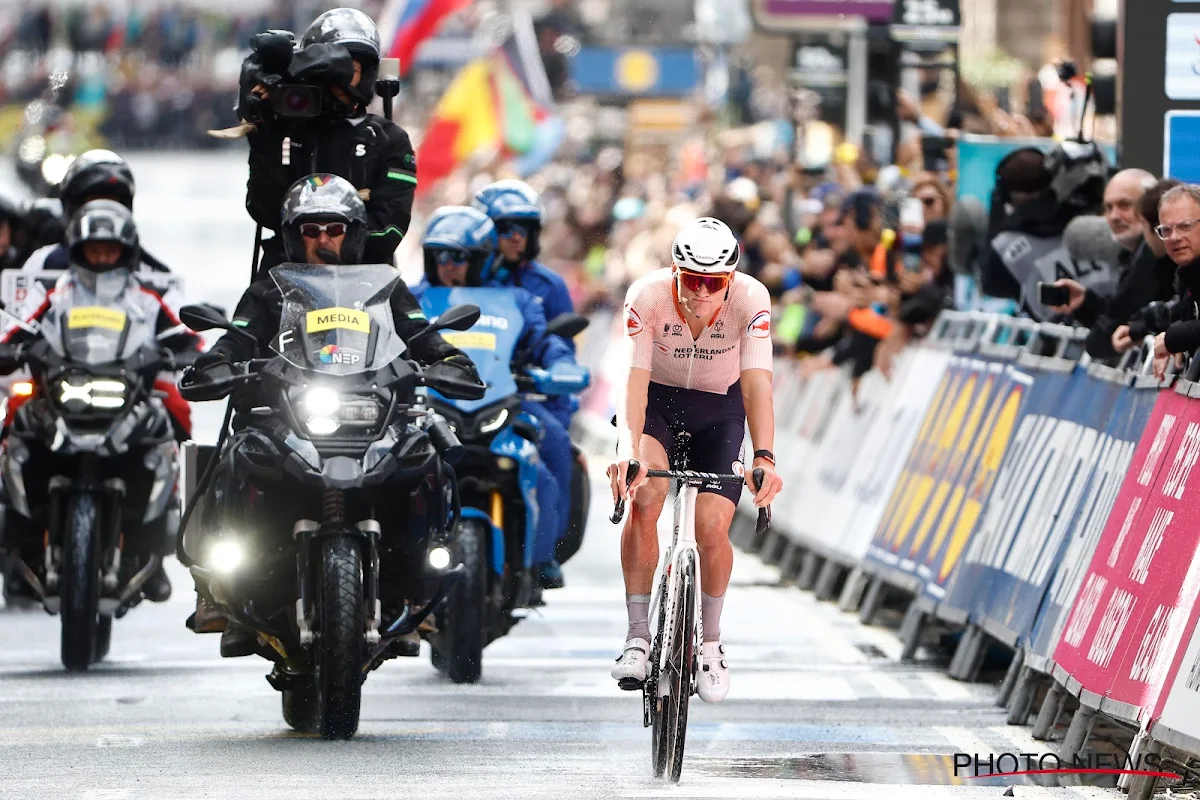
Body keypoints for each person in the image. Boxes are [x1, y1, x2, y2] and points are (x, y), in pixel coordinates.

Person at [186, 174, 482, 643]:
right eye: (310, 229)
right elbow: (236, 336)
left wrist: (448, 360)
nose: (323, 238)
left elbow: (422, 335)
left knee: (427, 455)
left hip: (370, 417)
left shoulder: (385, 290)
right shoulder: (269, 290)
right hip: (285, 417)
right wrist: (218, 363)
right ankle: (220, 593)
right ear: (291, 235)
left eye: (334, 228)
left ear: (355, 233)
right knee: (233, 455)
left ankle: (412, 586)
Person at [607, 217, 783, 703]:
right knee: (648, 495)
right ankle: (639, 635)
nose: (702, 293)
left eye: (714, 283)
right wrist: (626, 452)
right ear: (674, 272)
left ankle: (710, 643)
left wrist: (764, 456)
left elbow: (756, 384)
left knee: (711, 526)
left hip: (719, 413)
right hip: (657, 406)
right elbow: (634, 380)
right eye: (692, 281)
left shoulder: (752, 300)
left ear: (730, 280)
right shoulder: (647, 296)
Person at [0, 200, 203, 604]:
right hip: (63, 393)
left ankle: (156, 547)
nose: (102, 256)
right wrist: (15, 348)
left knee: (169, 423)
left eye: (110, 249)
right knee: (16, 425)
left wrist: (188, 352)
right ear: (77, 250)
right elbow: (18, 328)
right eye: (94, 249)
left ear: (126, 251)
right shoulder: (55, 294)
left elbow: (186, 336)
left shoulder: (146, 298)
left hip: (128, 397)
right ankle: (16, 540)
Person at [411, 205, 578, 588]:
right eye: (440, 255)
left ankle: (541, 557)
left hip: (501, 405)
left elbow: (547, 343)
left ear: (483, 259)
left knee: (551, 456)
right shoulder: (410, 298)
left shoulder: (517, 300)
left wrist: (560, 365)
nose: (449, 265)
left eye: (460, 257)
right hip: (428, 409)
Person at [241, 8, 417, 271]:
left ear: (367, 75)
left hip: (368, 280)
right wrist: (265, 134)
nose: (340, 82)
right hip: (287, 275)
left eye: (350, 71)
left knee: (411, 314)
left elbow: (390, 231)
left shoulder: (390, 139)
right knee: (248, 313)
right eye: (332, 72)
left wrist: (329, 247)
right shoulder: (287, 131)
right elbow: (263, 210)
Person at [20, 150, 173, 276]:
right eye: (94, 204)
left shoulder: (152, 272)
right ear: (72, 207)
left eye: (112, 205)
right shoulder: (43, 263)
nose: (103, 216)